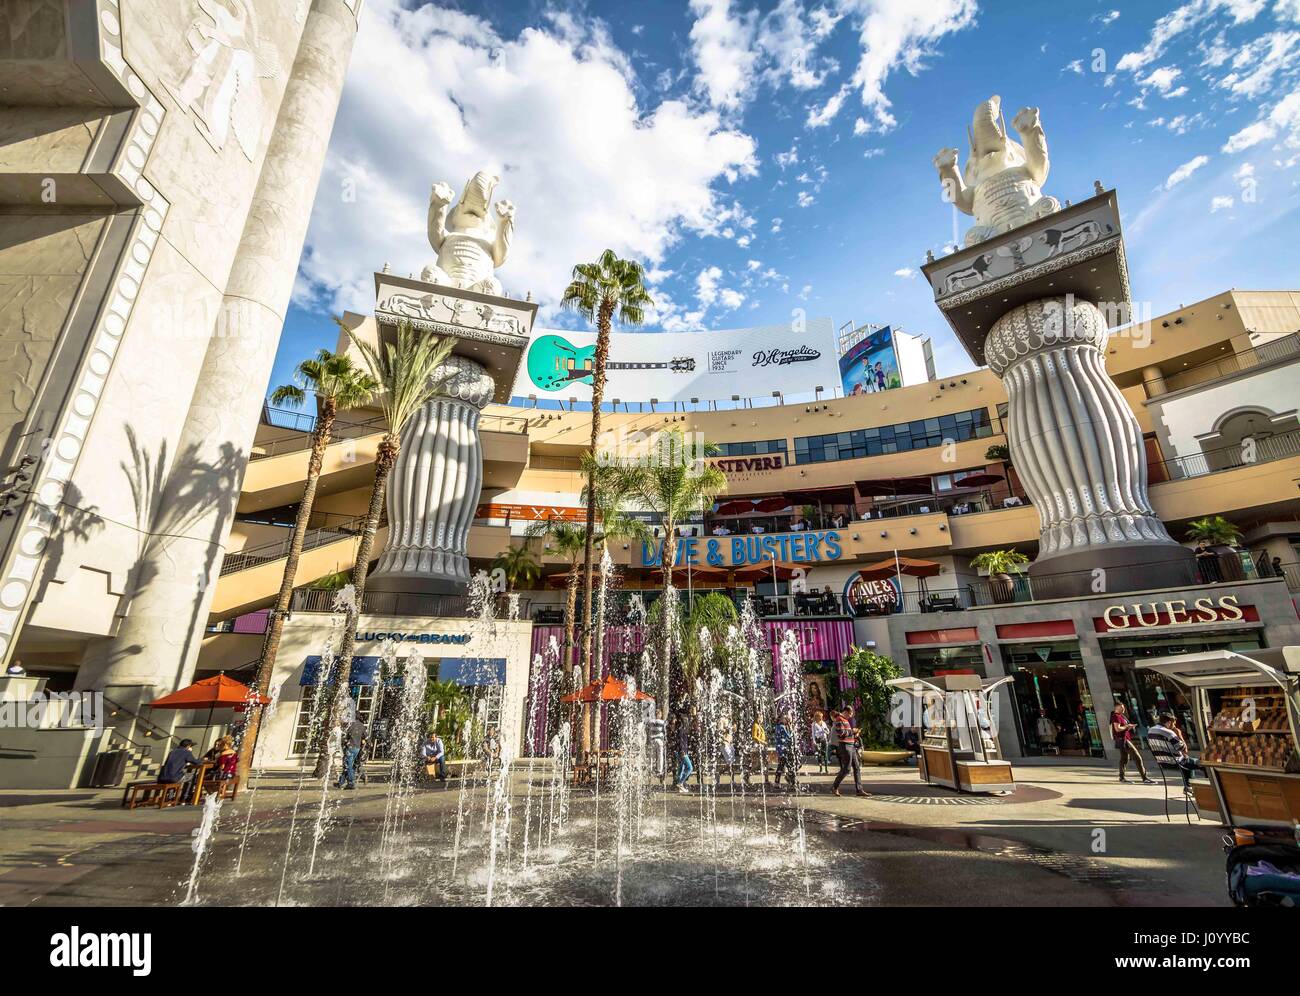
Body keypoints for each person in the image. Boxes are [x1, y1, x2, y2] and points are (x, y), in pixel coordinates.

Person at [1148, 712, 1201, 792]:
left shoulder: (1150, 730)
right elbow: (1183, 748)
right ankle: (1205, 789)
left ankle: (1188, 787)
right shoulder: (1169, 732)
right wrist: (1179, 735)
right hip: (1175, 761)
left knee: (1189, 763)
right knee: (1202, 764)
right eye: (1173, 723)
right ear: (1169, 722)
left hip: (1162, 762)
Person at [1110, 701, 1154, 784]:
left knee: (1124, 759)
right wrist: (1127, 726)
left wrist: (1129, 727)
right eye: (1121, 708)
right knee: (1137, 757)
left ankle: (1122, 777)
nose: (1123, 709)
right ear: (1116, 708)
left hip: (1123, 739)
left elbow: (1121, 729)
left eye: (1124, 708)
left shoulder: (1120, 716)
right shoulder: (1116, 716)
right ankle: (1144, 778)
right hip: (1124, 740)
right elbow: (1117, 729)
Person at [830, 707, 870, 797]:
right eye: (850, 714)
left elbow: (847, 733)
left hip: (851, 746)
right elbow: (841, 733)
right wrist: (852, 731)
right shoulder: (839, 719)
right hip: (845, 746)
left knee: (856, 767)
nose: (850, 716)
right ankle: (834, 787)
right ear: (845, 712)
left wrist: (854, 734)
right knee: (847, 769)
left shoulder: (845, 720)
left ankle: (859, 790)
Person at [338, 716, 366, 790]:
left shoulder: (350, 725)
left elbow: (345, 735)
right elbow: (366, 736)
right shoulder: (362, 725)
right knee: (349, 766)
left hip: (350, 747)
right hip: (357, 748)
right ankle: (341, 782)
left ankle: (351, 783)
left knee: (348, 766)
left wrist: (344, 743)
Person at [772, 711, 798, 791]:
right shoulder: (782, 727)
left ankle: (778, 782)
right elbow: (789, 737)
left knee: (782, 765)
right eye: (784, 718)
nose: (786, 719)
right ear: (781, 719)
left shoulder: (777, 726)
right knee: (790, 764)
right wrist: (792, 730)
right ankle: (791, 781)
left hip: (780, 748)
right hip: (784, 748)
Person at [745, 715, 769, 789]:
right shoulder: (755, 726)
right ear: (756, 718)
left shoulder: (759, 726)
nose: (761, 719)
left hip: (761, 746)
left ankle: (766, 780)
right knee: (758, 764)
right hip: (758, 747)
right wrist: (763, 742)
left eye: (762, 718)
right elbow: (754, 737)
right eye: (759, 718)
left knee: (765, 763)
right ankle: (747, 776)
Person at [673, 709, 694, 793]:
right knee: (690, 768)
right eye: (686, 720)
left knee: (681, 768)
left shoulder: (681, 729)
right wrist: (682, 751)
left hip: (681, 751)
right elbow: (681, 741)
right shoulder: (682, 730)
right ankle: (680, 783)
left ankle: (680, 787)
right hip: (682, 752)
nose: (687, 721)